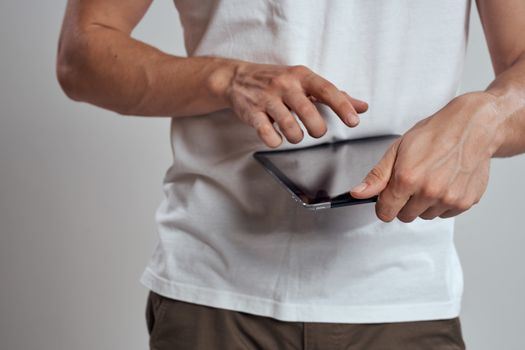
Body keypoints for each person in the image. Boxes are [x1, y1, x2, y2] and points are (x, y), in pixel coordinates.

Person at [56, 0, 525, 349]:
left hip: (403, 299)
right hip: (213, 291)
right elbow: (82, 54)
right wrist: (227, 77)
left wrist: (484, 118)